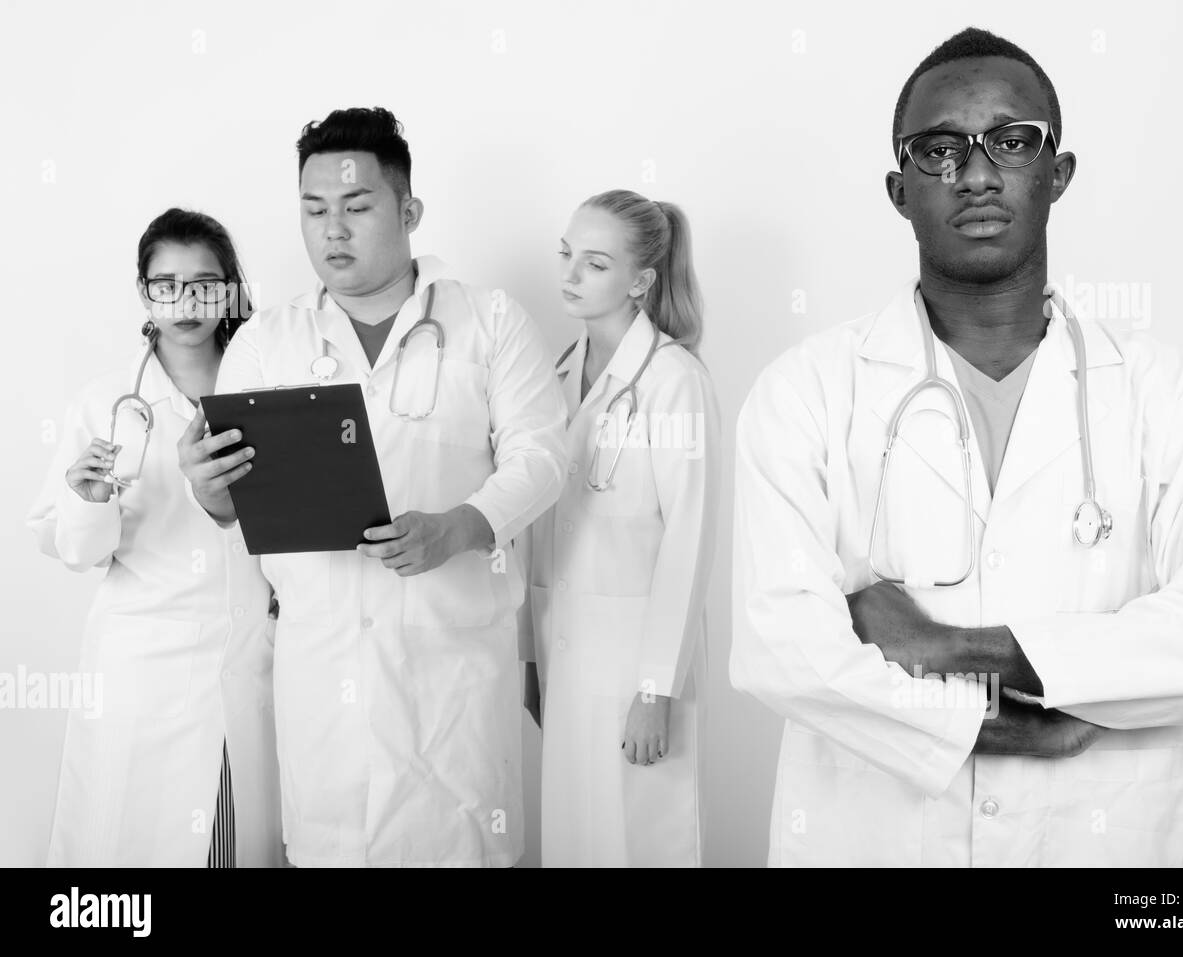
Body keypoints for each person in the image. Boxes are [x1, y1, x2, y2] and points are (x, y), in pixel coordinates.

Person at [730, 27, 1183, 867]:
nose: (977, 172)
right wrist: (1009, 727)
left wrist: (952, 647)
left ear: (1056, 175)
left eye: (1012, 142)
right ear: (899, 189)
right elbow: (782, 648)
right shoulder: (806, 390)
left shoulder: (1162, 391)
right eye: (941, 148)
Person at [178, 107, 568, 867]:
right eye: (315, 210)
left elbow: (544, 457)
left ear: (409, 210)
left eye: (357, 208)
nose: (333, 230)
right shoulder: (266, 341)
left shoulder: (489, 322)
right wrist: (208, 487)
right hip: (324, 670)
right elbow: (231, 503)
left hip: (452, 668)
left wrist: (460, 525)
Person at [28, 208, 282, 867]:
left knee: (230, 840)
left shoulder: (271, 391)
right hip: (139, 673)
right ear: (144, 293)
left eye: (205, 282)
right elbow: (77, 550)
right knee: (129, 854)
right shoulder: (106, 402)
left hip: (249, 662)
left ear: (230, 288)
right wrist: (87, 501)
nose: (188, 300)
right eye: (167, 284)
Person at [520, 190, 719, 867]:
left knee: (640, 843)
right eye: (568, 256)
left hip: (639, 666)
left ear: (640, 281)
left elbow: (689, 541)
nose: (571, 275)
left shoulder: (673, 381)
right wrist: (528, 651)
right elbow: (539, 527)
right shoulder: (555, 375)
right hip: (564, 655)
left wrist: (657, 688)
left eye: (595, 264)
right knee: (576, 841)